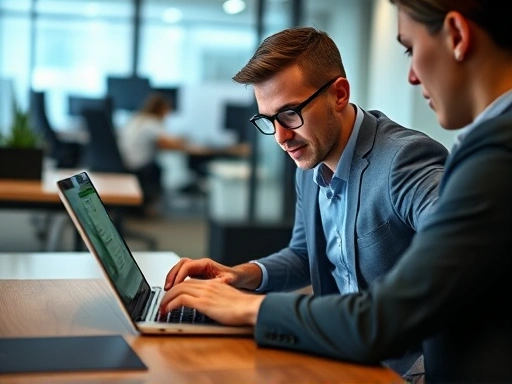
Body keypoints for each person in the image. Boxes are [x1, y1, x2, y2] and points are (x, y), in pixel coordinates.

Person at [159, 2, 512, 382]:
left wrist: (248, 309)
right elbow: (303, 254)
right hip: (344, 352)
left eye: (291, 113)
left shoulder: (406, 160)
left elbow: (439, 268)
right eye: (270, 121)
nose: (281, 136)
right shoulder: (309, 158)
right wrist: (240, 276)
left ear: (339, 94)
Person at [118, 92, 185, 215]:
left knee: (156, 164)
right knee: (158, 168)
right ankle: (148, 206)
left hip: (123, 162)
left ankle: (143, 205)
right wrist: (182, 141)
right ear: (161, 109)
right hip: (138, 165)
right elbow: (166, 144)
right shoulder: (152, 122)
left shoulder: (136, 118)